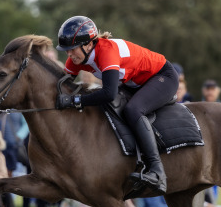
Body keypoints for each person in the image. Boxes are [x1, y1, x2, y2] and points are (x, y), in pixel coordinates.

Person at [55, 16, 179, 194]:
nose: (68, 55)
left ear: (88, 45)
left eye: (72, 49)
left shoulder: (107, 52)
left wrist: (75, 101)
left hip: (162, 77)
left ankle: (157, 171)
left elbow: (108, 93)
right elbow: (59, 85)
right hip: (135, 84)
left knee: (133, 110)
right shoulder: (77, 59)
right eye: (66, 51)